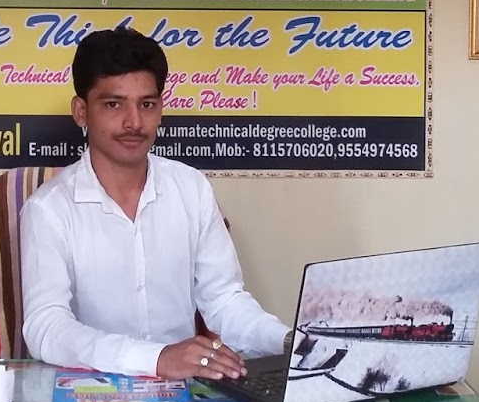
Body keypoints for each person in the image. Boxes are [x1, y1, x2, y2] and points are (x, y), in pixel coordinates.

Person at [19, 27, 291, 381]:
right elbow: (47, 327)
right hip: (88, 394)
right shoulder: (48, 209)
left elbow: (225, 301)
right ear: (81, 112)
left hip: (184, 394)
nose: (134, 122)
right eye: (114, 104)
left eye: (146, 104)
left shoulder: (190, 187)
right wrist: (155, 359)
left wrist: (290, 342)